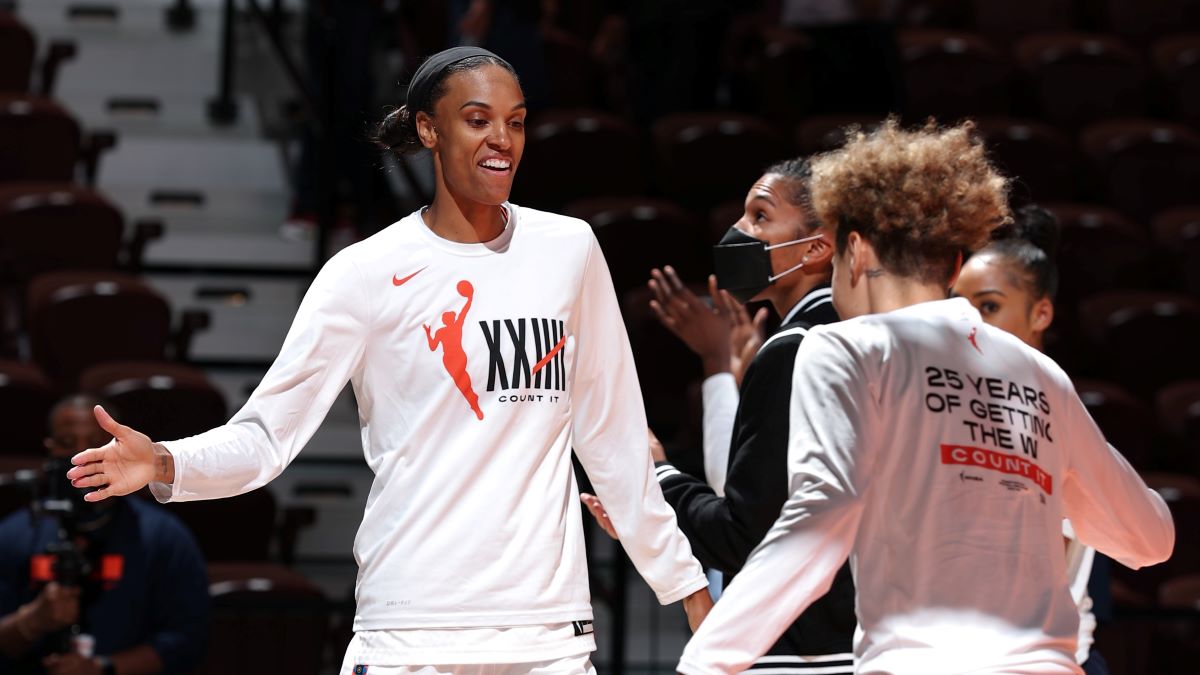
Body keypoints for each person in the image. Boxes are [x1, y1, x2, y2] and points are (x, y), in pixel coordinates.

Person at [65, 47, 711, 675]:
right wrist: (163, 461)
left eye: (515, 122)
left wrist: (684, 581)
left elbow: (613, 436)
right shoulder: (366, 272)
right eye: (478, 119)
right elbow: (267, 437)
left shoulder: (569, 250)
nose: (502, 140)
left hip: (547, 634)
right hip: (410, 628)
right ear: (429, 129)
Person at [676, 120, 1175, 674]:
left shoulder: (843, 348)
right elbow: (1151, 539)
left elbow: (819, 521)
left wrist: (707, 660)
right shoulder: (1041, 374)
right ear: (957, 266)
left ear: (855, 251)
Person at [583, 158, 857, 674]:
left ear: (816, 248)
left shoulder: (796, 350)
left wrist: (656, 473)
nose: (738, 229)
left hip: (803, 649)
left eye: (760, 216)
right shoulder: (862, 339)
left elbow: (742, 535)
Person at [952, 204, 1111, 675]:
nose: (969, 322)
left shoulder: (1049, 412)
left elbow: (1025, 578)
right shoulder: (965, 401)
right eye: (960, 305)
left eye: (989, 306)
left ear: (1041, 311)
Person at [0, 395, 209, 675]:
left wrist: (102, 669)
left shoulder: (163, 536)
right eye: (67, 443)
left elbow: (188, 640)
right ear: (50, 449)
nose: (81, 455)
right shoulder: (13, 535)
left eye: (95, 444)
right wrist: (31, 621)